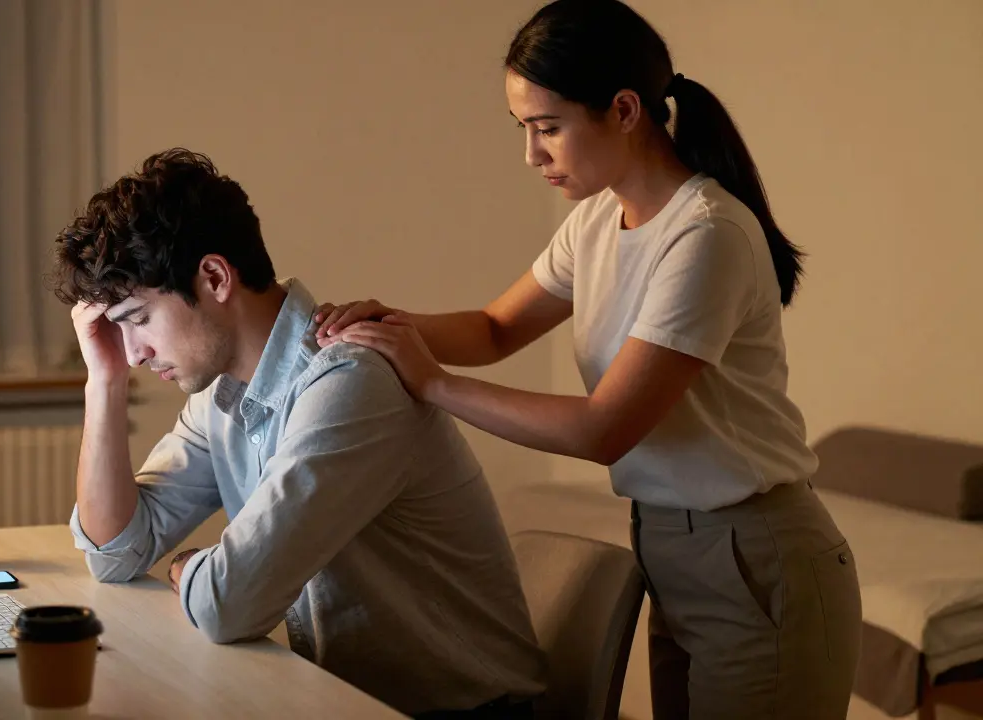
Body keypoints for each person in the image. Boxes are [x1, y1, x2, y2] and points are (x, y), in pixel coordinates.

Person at [314, 1, 861, 718]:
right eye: (525, 130)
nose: (532, 154)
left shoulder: (705, 237)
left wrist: (433, 383)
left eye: (548, 128)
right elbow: (494, 327)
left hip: (757, 557)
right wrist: (386, 322)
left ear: (625, 110)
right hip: (672, 546)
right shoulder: (598, 221)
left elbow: (605, 429)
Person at [47, 148, 548, 718]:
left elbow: (226, 606)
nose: (133, 352)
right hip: (337, 702)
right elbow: (114, 552)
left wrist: (190, 568)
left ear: (214, 277)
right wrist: (103, 380)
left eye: (137, 319)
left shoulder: (350, 384)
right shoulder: (222, 392)